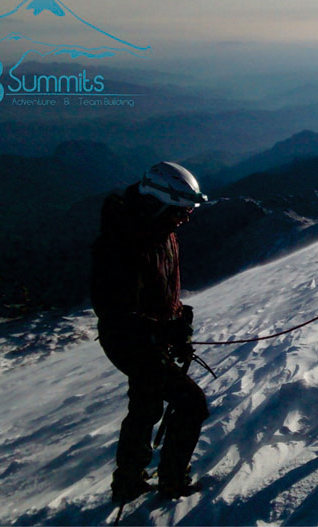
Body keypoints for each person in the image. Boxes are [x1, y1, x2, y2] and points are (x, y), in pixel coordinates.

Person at [91, 161, 210, 502]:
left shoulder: (159, 231)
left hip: (147, 338)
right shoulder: (120, 244)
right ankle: (172, 481)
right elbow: (115, 309)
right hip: (130, 342)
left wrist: (178, 319)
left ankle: (128, 480)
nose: (185, 218)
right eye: (181, 210)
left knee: (145, 405)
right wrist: (166, 330)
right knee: (191, 404)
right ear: (156, 202)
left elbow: (160, 289)